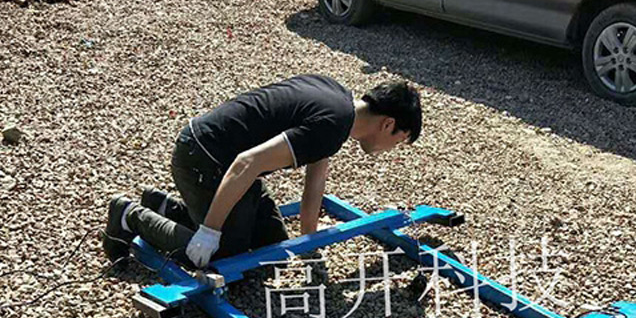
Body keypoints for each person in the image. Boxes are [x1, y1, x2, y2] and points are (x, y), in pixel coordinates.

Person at [102, 74, 422, 268]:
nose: (392, 148)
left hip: (223, 162)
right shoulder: (332, 125)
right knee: (224, 255)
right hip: (202, 159)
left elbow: (315, 183)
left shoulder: (338, 103)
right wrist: (210, 232)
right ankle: (129, 215)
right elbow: (247, 162)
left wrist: (309, 243)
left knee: (272, 246)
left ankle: (165, 207)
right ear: (388, 124)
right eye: (399, 140)